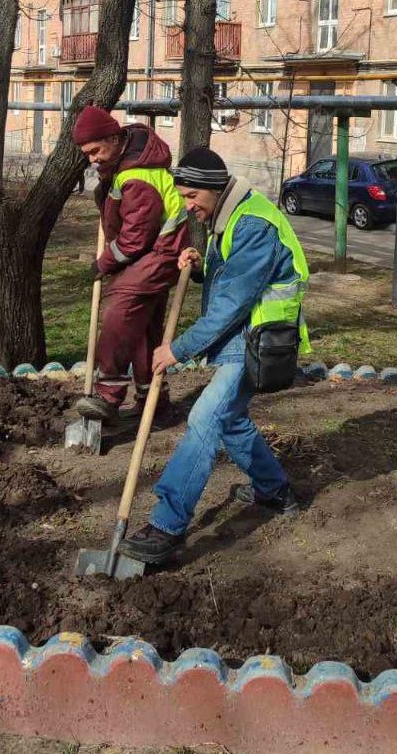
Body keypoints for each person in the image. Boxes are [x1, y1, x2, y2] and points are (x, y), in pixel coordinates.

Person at [120, 147, 311, 564]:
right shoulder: (231, 214)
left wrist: (178, 349)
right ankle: (274, 490)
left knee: (206, 418)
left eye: (191, 197)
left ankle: (167, 525)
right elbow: (234, 275)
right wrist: (203, 265)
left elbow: (233, 304)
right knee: (231, 418)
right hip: (242, 333)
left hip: (257, 337)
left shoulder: (253, 224)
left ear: (212, 188)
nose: (188, 207)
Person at [71, 105, 189, 421]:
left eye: (95, 150)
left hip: (158, 253)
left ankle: (108, 396)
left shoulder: (137, 175)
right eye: (87, 154)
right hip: (155, 253)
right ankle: (154, 399)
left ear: (113, 137)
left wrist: (104, 263)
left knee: (117, 316)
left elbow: (136, 237)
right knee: (142, 331)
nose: (92, 159)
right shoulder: (128, 164)